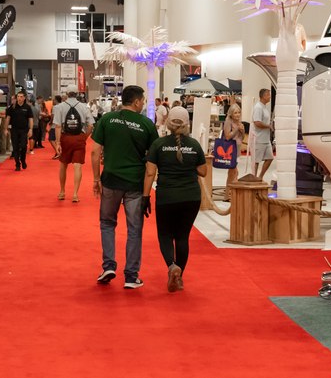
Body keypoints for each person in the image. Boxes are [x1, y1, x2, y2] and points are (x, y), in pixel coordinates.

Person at [91, 85, 159, 289]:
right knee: (134, 229)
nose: (144, 103)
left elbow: (95, 152)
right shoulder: (147, 124)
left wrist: (96, 179)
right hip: (135, 184)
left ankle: (108, 265)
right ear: (137, 102)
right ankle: (131, 276)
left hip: (111, 179)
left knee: (107, 223)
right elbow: (153, 161)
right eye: (143, 100)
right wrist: (148, 191)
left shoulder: (106, 119)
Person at [143, 106, 207, 293]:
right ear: (187, 123)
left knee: (164, 235)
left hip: (167, 196)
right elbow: (203, 171)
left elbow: (150, 172)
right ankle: (179, 277)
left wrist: (145, 197)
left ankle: (172, 266)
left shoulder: (158, 144)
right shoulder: (194, 145)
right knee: (182, 236)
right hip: (191, 197)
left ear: (168, 122)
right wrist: (188, 166)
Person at [53, 90, 94, 201]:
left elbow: (57, 126)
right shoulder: (84, 106)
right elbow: (90, 125)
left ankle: (62, 192)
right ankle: (75, 194)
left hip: (65, 138)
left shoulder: (59, 107)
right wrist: (84, 137)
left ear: (66, 94)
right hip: (79, 137)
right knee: (77, 166)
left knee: (63, 165)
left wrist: (58, 142)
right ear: (77, 94)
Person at [5, 91, 34, 171]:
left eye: (21, 97)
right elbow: (8, 118)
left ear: (24, 98)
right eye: (18, 96)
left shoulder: (27, 107)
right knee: (15, 147)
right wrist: (5, 129)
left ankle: (23, 160)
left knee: (24, 146)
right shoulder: (12, 107)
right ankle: (17, 164)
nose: (19, 98)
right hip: (14, 130)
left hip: (24, 130)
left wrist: (31, 129)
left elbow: (31, 119)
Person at [221, 104, 245, 190]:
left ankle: (229, 194)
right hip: (230, 149)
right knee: (233, 172)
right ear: (231, 114)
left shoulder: (239, 122)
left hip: (237, 149)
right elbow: (227, 136)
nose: (238, 114)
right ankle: (230, 193)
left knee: (233, 172)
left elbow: (241, 138)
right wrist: (236, 129)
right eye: (235, 113)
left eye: (239, 112)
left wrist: (242, 131)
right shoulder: (228, 121)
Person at [251, 89, 274, 179]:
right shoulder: (258, 107)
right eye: (268, 95)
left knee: (270, 158)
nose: (270, 97)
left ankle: (260, 177)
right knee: (256, 161)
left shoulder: (264, 107)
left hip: (266, 138)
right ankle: (254, 177)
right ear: (263, 96)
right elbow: (257, 122)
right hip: (259, 138)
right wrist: (268, 126)